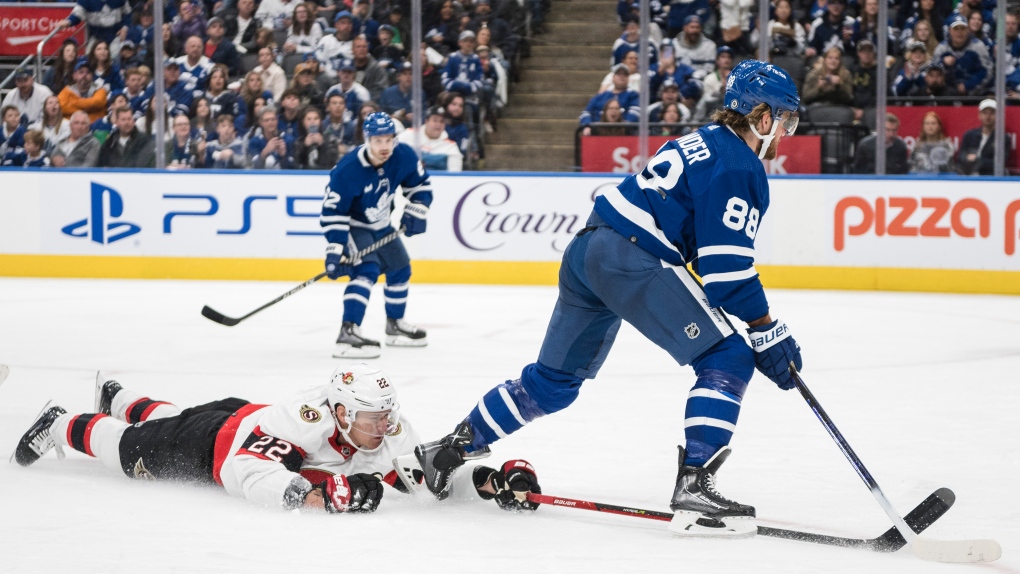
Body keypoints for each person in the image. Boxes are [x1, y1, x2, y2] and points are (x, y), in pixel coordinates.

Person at [410, 60, 804, 538]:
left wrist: (750, 317)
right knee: (730, 354)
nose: (785, 131)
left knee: (553, 382)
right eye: (784, 119)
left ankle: (449, 448)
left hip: (588, 250)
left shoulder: (702, 140)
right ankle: (695, 485)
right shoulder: (741, 165)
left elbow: (704, 254)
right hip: (631, 257)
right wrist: (765, 330)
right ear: (762, 118)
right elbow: (726, 271)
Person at [14, 366, 540, 514]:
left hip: (240, 413)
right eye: (370, 416)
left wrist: (488, 480)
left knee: (168, 417)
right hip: (211, 445)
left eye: (387, 414)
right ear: (338, 411)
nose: (384, 426)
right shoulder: (304, 423)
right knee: (130, 450)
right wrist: (312, 495)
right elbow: (248, 473)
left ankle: (122, 393)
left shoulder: (388, 427)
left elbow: (425, 478)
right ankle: (62, 423)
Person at [320, 112, 433, 358]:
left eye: (389, 139)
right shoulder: (347, 170)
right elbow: (333, 212)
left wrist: (416, 211)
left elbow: (420, 186)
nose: (385, 146)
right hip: (353, 225)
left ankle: (394, 326)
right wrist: (336, 249)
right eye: (378, 140)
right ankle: (348, 331)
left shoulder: (402, 155)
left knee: (400, 268)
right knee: (366, 270)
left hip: (381, 224)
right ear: (367, 139)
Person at [932, 14, 992, 96]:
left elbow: (987, 71)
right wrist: (943, 63)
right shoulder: (941, 48)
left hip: (975, 95)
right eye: (956, 29)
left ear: (967, 30)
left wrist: (968, 85)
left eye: (963, 28)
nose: (959, 32)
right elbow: (932, 72)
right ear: (950, 30)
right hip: (947, 96)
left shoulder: (978, 47)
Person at [396, 105, 463, 171]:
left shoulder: (451, 147)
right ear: (426, 121)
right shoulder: (408, 134)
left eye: (442, 121)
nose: (438, 125)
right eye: (435, 120)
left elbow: (454, 175)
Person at [958, 99, 1012, 176]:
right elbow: (961, 157)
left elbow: (999, 163)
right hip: (967, 176)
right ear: (979, 115)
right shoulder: (969, 135)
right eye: (985, 113)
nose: (988, 116)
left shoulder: (1003, 138)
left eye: (992, 113)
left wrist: (977, 160)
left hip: (990, 177)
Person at [58, 58, 109, 123]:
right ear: (74, 76)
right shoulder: (67, 90)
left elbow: (97, 102)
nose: (84, 75)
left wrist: (73, 103)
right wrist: (90, 109)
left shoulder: (100, 89)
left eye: (88, 72)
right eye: (81, 72)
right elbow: (62, 107)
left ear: (92, 76)